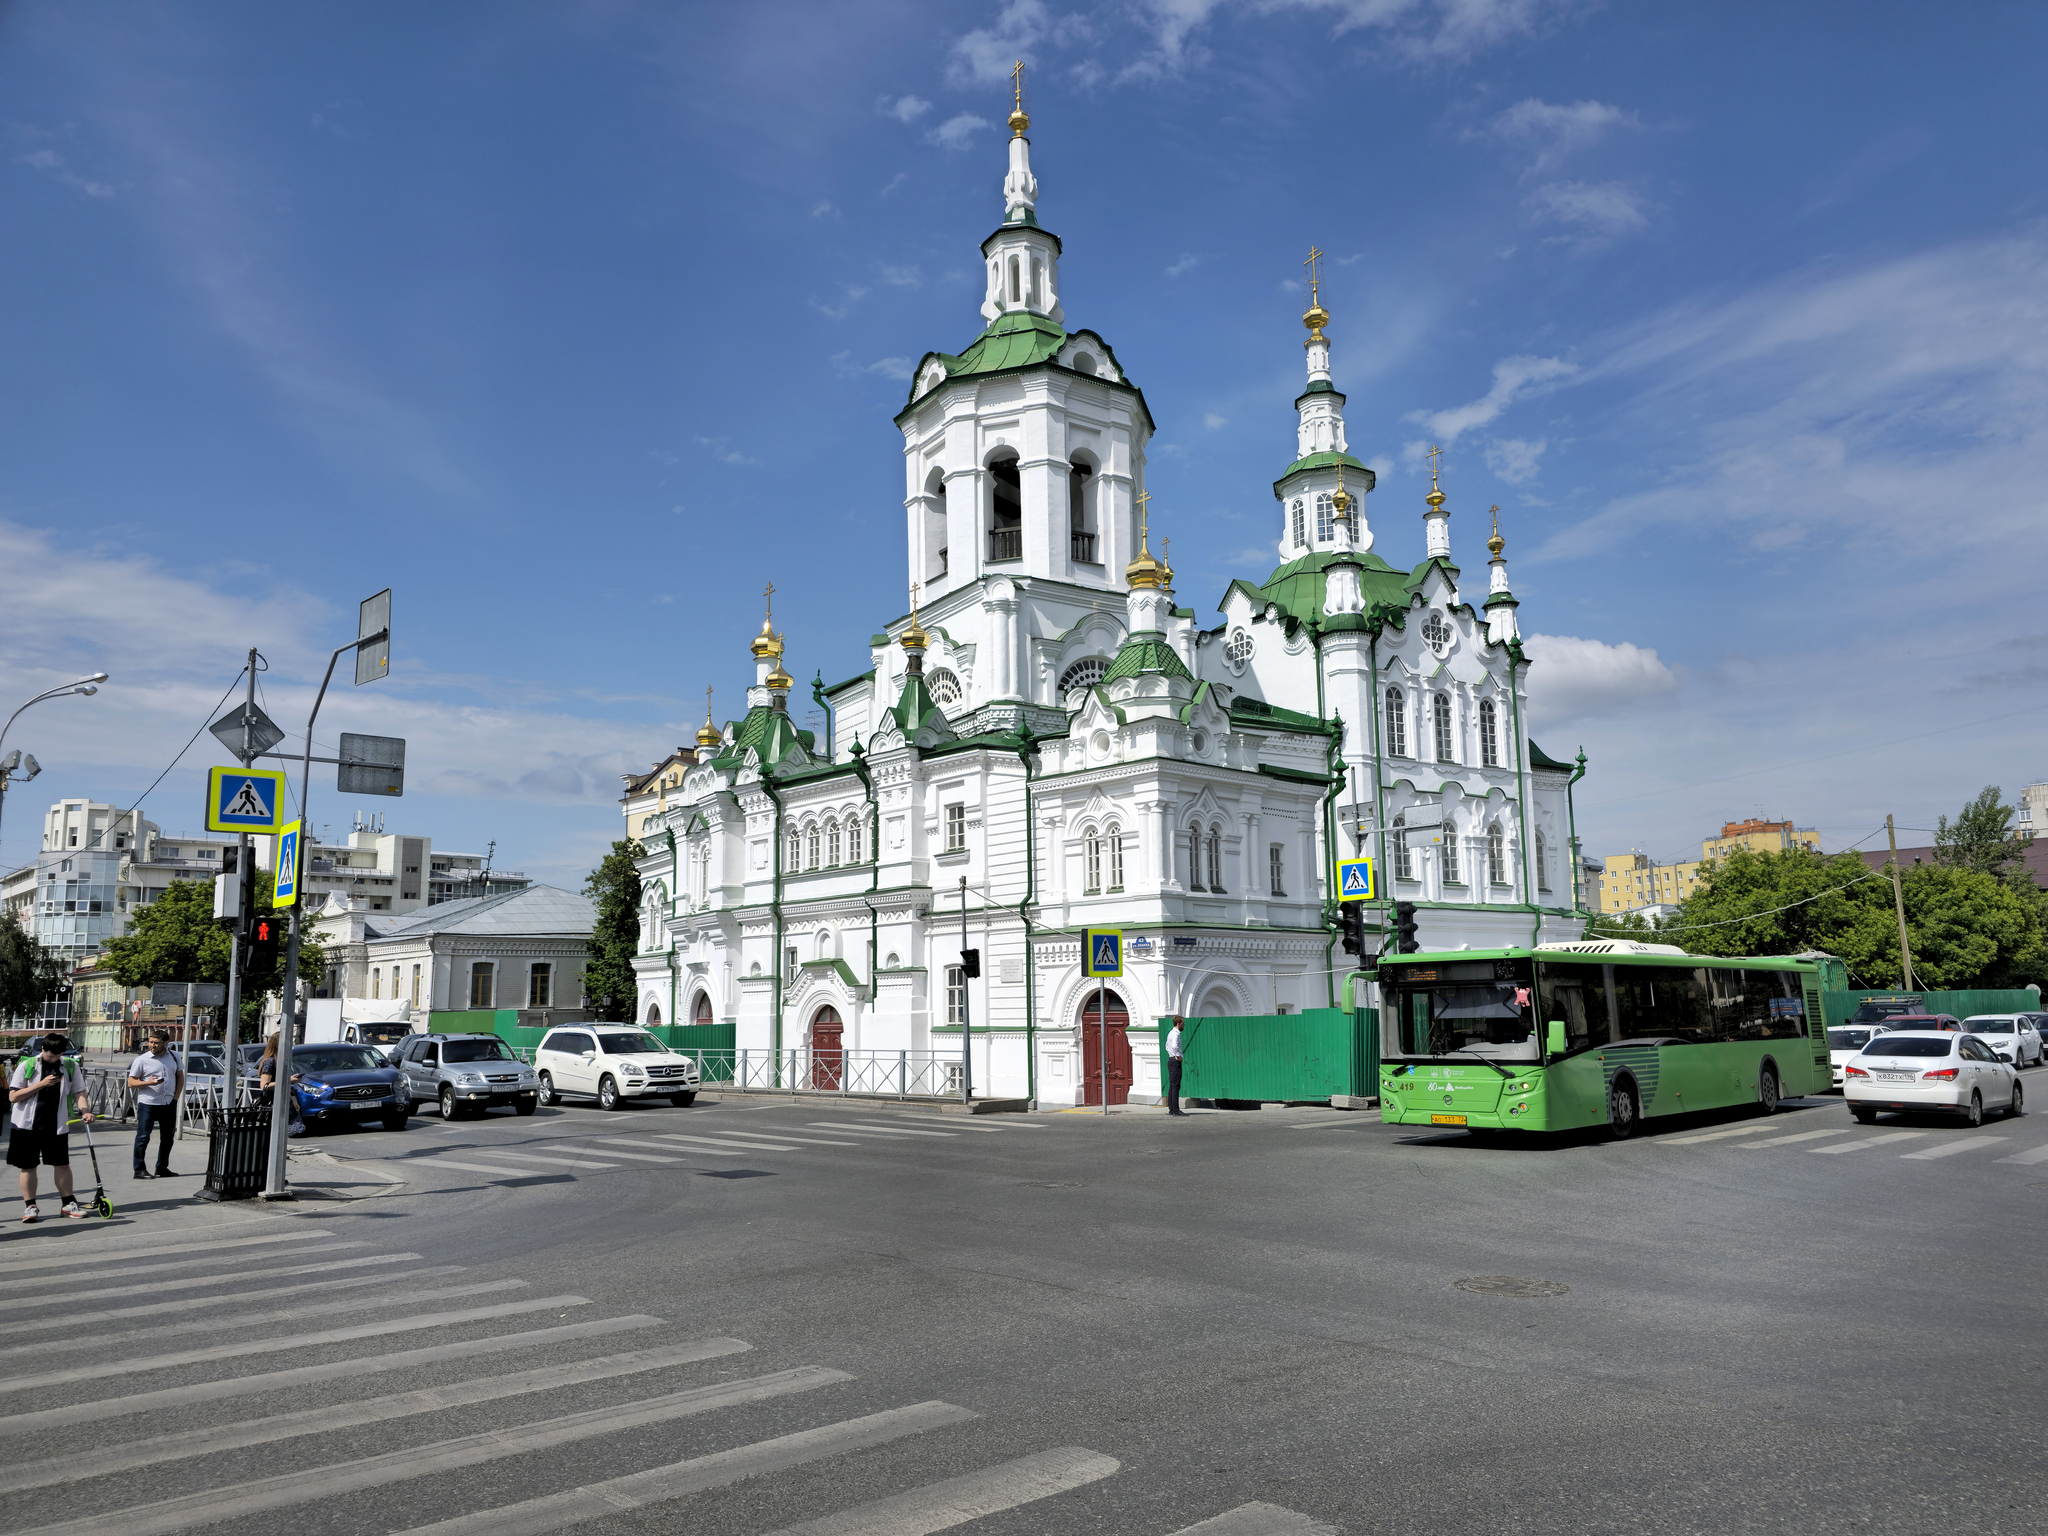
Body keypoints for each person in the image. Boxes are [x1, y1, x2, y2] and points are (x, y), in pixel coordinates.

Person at [7, 1034, 93, 1222]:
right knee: (28, 1166)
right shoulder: (27, 1065)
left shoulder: (70, 1065)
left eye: (59, 1055)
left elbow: (79, 1091)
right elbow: (13, 1097)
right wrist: (41, 1084)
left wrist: (85, 1110)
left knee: (62, 1164)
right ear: (43, 1049)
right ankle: (30, 1207)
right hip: (26, 1125)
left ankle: (68, 1203)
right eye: (52, 1056)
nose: (55, 1059)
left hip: (56, 1124)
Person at [127, 1030, 184, 1180]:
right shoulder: (142, 1059)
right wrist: (148, 1083)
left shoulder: (174, 1057)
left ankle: (162, 1167)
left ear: (166, 1043)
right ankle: (139, 1169)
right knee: (143, 1137)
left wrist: (176, 1098)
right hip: (148, 1104)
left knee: (167, 1138)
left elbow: (180, 1077)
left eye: (156, 1043)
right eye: (150, 1042)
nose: (152, 1045)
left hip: (168, 1103)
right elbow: (131, 1082)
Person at [1165, 1015, 1186, 1116]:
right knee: (1175, 1085)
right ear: (1178, 1023)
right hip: (1175, 1061)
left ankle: (1171, 1108)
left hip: (1171, 1059)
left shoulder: (1171, 1033)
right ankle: (1175, 1110)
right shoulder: (1176, 1034)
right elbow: (1174, 1046)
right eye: (1182, 1023)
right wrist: (1178, 1056)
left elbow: (1166, 1046)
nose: (1184, 1024)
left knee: (1172, 1085)